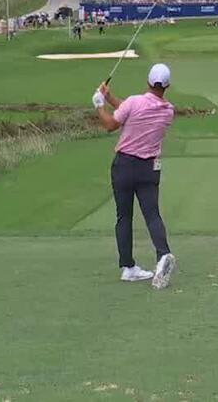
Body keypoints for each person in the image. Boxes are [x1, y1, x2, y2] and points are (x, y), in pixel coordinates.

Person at [94, 63, 178, 289]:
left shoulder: (134, 102)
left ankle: (128, 268)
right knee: (152, 215)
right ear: (167, 86)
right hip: (149, 169)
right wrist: (110, 97)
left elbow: (112, 124)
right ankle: (163, 255)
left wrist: (100, 105)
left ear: (148, 81)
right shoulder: (168, 111)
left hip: (123, 166)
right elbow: (133, 112)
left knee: (124, 217)